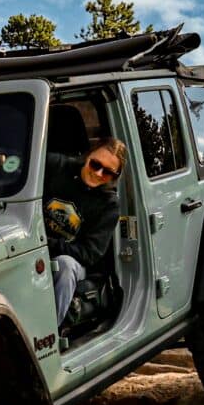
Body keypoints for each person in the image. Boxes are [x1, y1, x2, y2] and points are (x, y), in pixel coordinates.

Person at [42, 137, 126, 326]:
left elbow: (89, 254)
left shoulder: (109, 205)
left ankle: (50, 332)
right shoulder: (57, 166)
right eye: (95, 164)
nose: (98, 173)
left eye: (107, 172)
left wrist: (48, 244)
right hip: (32, 245)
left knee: (65, 266)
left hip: (72, 261)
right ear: (88, 156)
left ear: (114, 177)